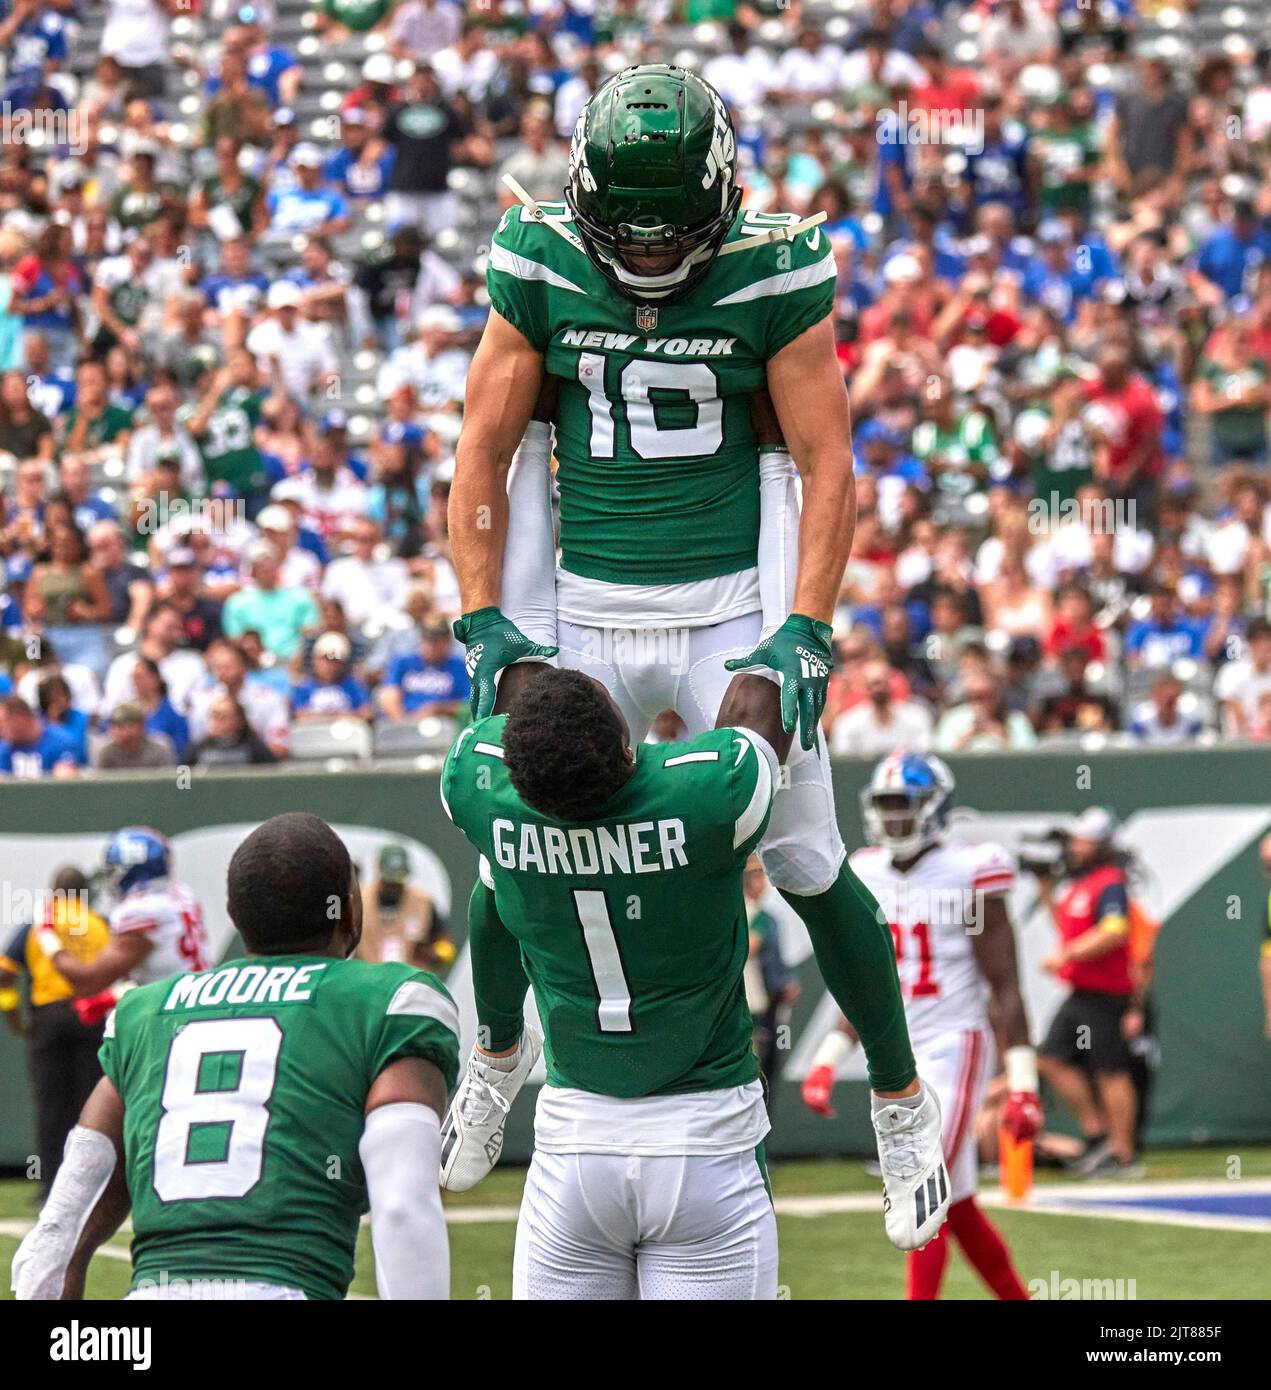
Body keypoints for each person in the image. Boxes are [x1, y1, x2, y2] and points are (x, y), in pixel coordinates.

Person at [446, 66, 928, 1199]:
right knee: (505, 844)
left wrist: (803, 628)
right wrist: (483, 619)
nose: (652, 260)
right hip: (581, 602)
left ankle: (900, 1098)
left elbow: (822, 462)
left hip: (726, 601)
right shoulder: (538, 259)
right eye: (631, 235)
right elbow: (481, 448)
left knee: (809, 856)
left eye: (675, 238)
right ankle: (496, 1054)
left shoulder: (776, 264)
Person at [441, 666, 950, 1299]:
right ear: (629, 747)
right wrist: (797, 635)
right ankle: (898, 1092)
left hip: (572, 1144)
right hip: (705, 1142)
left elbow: (505, 734)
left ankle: (497, 1051)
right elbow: (764, 696)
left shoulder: (478, 785)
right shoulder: (708, 793)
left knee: (497, 869)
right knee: (813, 869)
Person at [12, 812, 459, 1301]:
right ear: (350, 912)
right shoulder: (390, 1001)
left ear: (234, 911)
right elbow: (400, 1207)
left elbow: (58, 1233)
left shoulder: (143, 1013)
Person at [802, 753, 1039, 1300]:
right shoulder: (864, 870)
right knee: (957, 1204)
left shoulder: (972, 868)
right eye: (884, 806)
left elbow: (1004, 985)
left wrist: (1023, 1085)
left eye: (903, 806)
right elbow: (867, 985)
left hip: (956, 1041)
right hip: (894, 1051)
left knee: (923, 1188)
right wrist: (825, 1060)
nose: (893, 819)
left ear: (934, 808)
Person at [1036, 807, 1140, 1177]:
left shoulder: (1110, 882)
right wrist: (1046, 894)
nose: (1077, 847)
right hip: (1079, 991)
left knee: (1110, 1070)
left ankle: (1123, 1154)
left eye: (1085, 841)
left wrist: (1068, 954)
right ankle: (1098, 1135)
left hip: (1104, 993)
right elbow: (1069, 931)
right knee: (1051, 1058)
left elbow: (1114, 930)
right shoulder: (1082, 884)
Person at [0, 868, 110, 1195]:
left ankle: (50, 1188)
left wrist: (14, 1018)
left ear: (54, 891)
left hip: (48, 1020)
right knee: (91, 1105)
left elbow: (5, 973)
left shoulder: (40, 922)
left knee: (51, 1106)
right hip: (91, 1017)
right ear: (83, 891)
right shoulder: (98, 923)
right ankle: (93, 1187)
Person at [35, 828, 209, 1028]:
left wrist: (47, 936)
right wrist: (114, 995)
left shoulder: (139, 911)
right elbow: (167, 964)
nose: (110, 878)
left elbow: (88, 981)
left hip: (176, 1022)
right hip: (197, 1006)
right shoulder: (181, 896)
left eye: (114, 870)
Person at [357, 842, 454, 973]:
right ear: (380, 873)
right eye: (389, 880)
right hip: (367, 979)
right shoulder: (359, 900)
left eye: (398, 880)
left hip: (410, 981)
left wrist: (438, 953)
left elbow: (444, 942)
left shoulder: (423, 903)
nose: (394, 886)